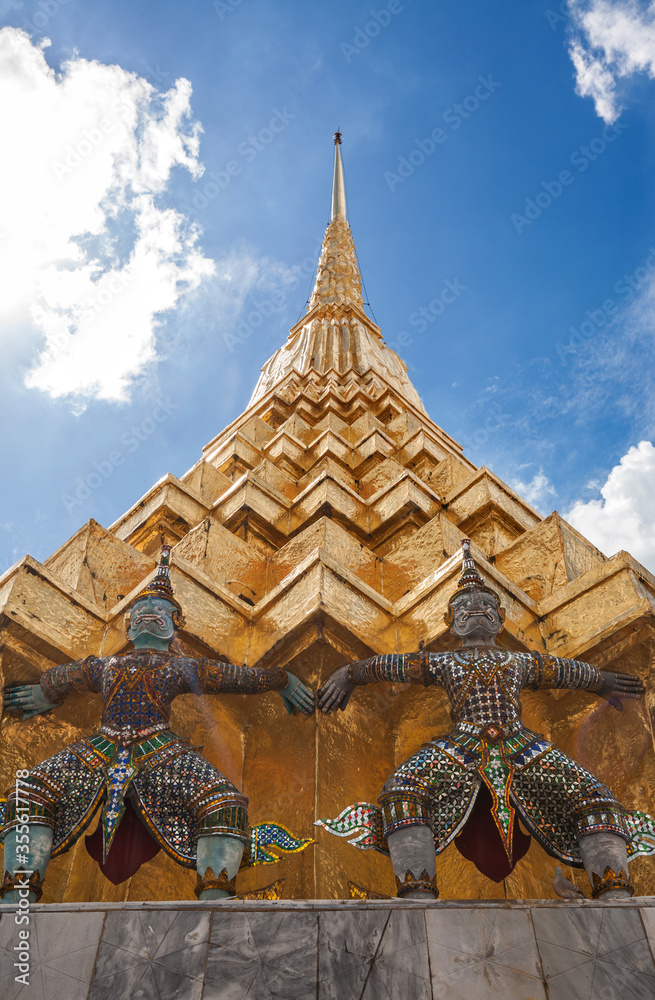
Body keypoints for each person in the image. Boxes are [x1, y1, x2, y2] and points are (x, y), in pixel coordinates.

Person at [317, 539, 655, 899]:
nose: (475, 610)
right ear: (450, 623)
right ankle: (417, 896)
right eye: (463, 608)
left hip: (519, 742)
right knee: (402, 792)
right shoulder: (443, 661)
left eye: (485, 606)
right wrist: (349, 673)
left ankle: (614, 893)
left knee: (595, 798)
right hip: (461, 743)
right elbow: (392, 665)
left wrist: (601, 681)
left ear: (499, 618)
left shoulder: (519, 662)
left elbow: (560, 671)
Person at [1, 545, 314, 903]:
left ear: (174, 628)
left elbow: (239, 678)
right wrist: (45, 692)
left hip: (159, 748)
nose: (149, 614)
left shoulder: (183, 667)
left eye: (160, 611)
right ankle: (15, 899)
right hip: (101, 744)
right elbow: (71, 674)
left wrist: (283, 680)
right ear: (129, 625)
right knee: (29, 794)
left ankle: (216, 901)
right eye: (141, 611)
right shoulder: (105, 666)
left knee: (225, 803)